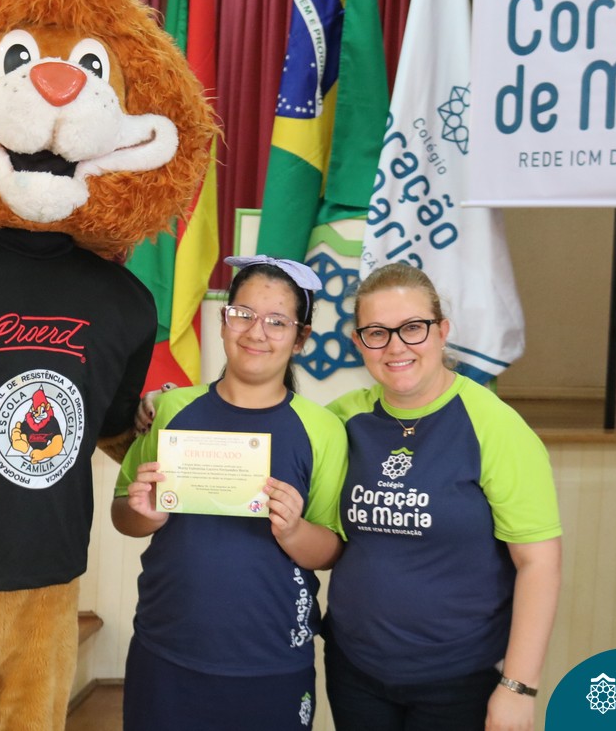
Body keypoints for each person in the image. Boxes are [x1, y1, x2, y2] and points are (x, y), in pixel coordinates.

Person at [113, 254, 348, 731]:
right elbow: (124, 514)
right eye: (243, 314)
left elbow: (330, 550)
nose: (256, 332)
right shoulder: (172, 409)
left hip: (271, 658)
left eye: (277, 322)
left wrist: (294, 530)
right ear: (223, 320)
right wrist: (145, 513)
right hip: (166, 649)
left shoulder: (322, 430)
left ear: (300, 338)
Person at [324, 262, 562, 731]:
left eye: (413, 327)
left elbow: (539, 563)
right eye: (377, 333)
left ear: (442, 331)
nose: (396, 346)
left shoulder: (495, 426)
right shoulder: (340, 420)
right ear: (358, 342)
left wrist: (518, 688)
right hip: (355, 668)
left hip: (459, 679)